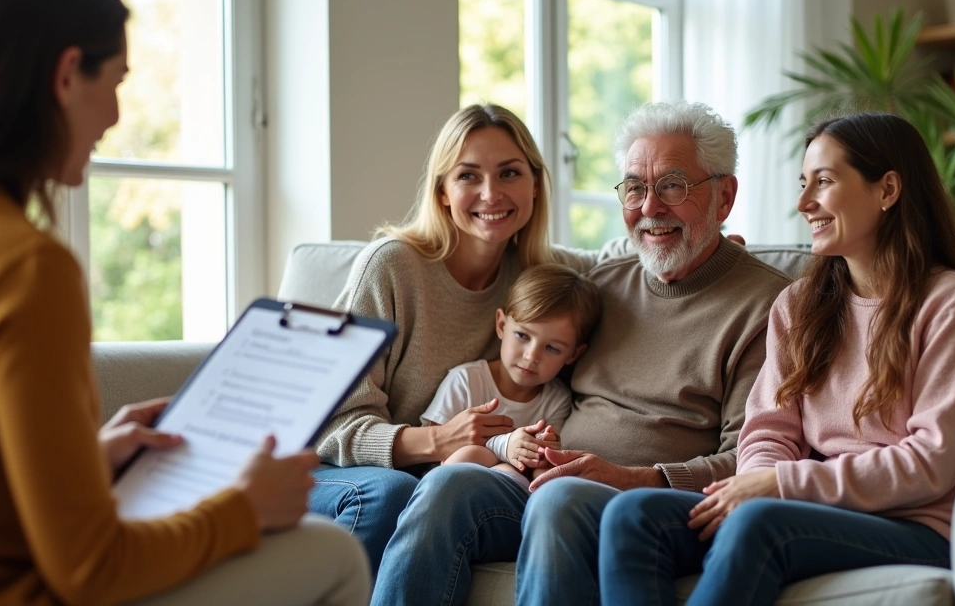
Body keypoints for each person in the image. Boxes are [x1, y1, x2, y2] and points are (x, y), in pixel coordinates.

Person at [0, 0, 369, 604]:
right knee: (333, 550)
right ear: (67, 74)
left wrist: (88, 459)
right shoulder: (23, 267)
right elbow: (92, 568)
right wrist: (243, 507)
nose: (116, 115)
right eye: (115, 82)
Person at [369, 100, 793, 605]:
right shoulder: (603, 286)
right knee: (451, 485)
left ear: (724, 197)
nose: (651, 208)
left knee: (560, 498)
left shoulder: (769, 307)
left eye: (674, 186)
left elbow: (751, 461)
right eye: (634, 187)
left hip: (649, 504)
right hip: (544, 480)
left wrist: (631, 477)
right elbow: (571, 278)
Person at [598, 112, 955, 606]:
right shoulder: (799, 305)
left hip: (919, 527)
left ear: (887, 190)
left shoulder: (948, 303)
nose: (803, 203)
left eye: (824, 182)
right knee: (633, 515)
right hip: (808, 511)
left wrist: (780, 485)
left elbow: (930, 463)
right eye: (803, 183)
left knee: (758, 523)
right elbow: (769, 430)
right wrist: (755, 481)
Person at [312, 104, 598, 570]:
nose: (491, 193)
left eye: (509, 173)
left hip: (445, 483)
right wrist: (434, 441)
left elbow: (611, 260)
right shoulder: (391, 267)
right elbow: (330, 424)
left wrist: (701, 242)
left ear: (534, 185)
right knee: (394, 492)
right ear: (443, 190)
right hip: (335, 472)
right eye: (468, 176)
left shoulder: (535, 275)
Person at [422, 263, 601, 481]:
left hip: (515, 487)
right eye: (523, 336)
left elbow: (544, 460)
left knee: (538, 473)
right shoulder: (466, 381)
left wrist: (546, 449)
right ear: (501, 325)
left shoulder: (556, 400)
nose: (531, 356)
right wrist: (503, 446)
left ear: (573, 355)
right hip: (445, 482)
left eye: (552, 348)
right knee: (474, 454)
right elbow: (433, 453)